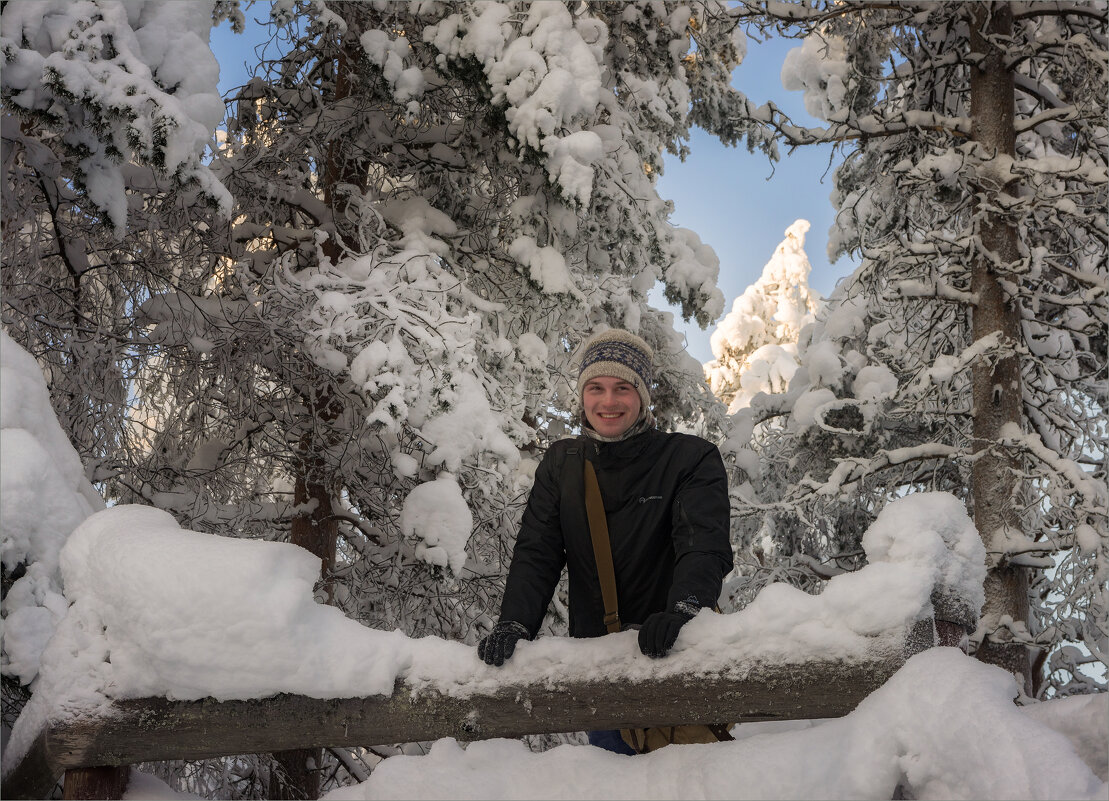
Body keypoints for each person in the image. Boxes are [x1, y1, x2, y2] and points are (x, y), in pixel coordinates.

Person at [477, 329, 734, 754]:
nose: (608, 402)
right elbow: (537, 552)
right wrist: (516, 622)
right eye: (595, 388)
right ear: (582, 395)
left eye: (622, 388)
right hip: (599, 662)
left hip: (675, 652)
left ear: (642, 397)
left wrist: (685, 609)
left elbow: (702, 543)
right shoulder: (562, 464)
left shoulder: (689, 458)